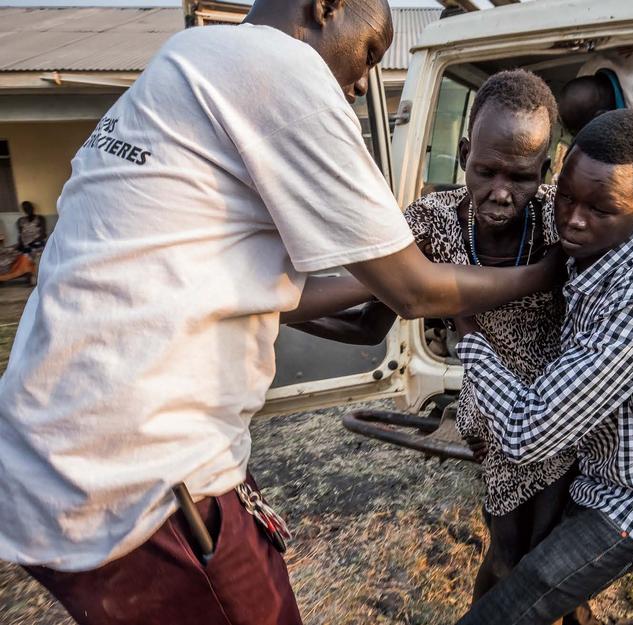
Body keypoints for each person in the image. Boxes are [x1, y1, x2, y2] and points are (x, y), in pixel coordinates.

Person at [0, 1, 560, 623]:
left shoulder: (184, 62)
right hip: (139, 482)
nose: (358, 86)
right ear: (326, 7)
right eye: (370, 56)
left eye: (522, 174)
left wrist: (289, 304)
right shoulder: (280, 69)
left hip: (53, 463)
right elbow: (412, 294)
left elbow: (273, 289)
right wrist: (539, 276)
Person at [294, 69, 594, 625]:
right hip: (492, 423)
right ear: (462, 154)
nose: (501, 192)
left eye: (521, 176)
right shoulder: (430, 226)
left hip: (563, 417)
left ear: (548, 169)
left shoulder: (564, 222)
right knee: (509, 557)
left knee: (552, 568)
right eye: (485, 170)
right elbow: (367, 325)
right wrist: (272, 314)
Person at [453, 109, 633, 625]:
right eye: (567, 196)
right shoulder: (590, 254)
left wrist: (468, 337)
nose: (572, 219)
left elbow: (530, 432)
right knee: (519, 564)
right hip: (597, 466)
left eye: (601, 208)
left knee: (523, 594)